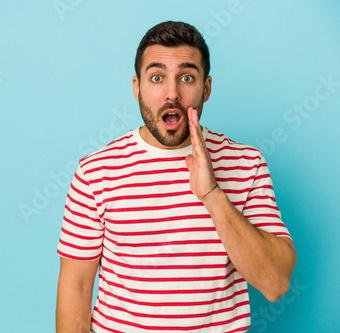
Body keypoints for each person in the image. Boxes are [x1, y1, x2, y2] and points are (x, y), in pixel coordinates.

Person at [56, 21, 296, 333]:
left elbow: (275, 283)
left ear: (206, 88)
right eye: (157, 78)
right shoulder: (95, 172)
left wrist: (212, 194)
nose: (172, 94)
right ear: (137, 87)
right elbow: (76, 285)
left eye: (186, 78)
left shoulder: (246, 163)